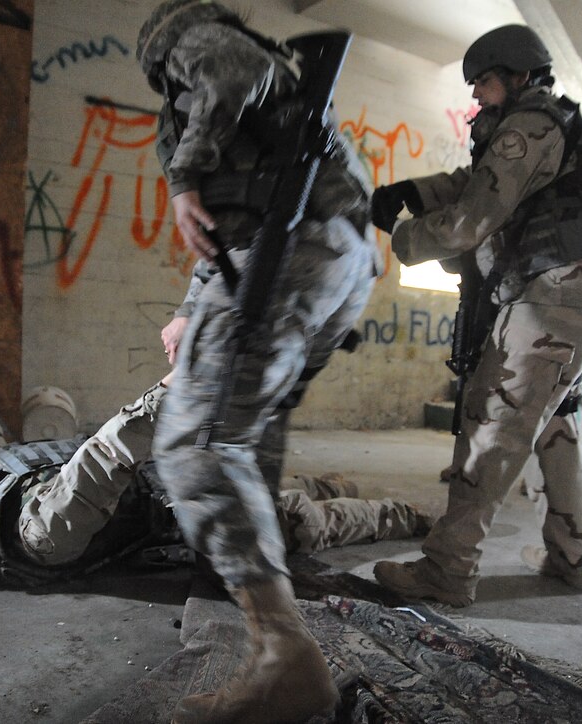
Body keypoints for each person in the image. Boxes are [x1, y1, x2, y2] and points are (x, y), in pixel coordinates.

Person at [136, 2, 379, 721]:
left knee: (195, 445)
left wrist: (182, 175)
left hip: (289, 249)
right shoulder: (279, 90)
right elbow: (230, 216)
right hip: (332, 260)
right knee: (247, 434)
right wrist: (191, 306)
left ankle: (285, 657)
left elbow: (229, 74)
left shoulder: (198, 43)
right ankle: (266, 614)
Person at [0, 303, 430, 585]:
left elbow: (106, 457)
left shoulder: (35, 530)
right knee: (284, 505)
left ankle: (397, 512)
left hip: (180, 493)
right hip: (176, 488)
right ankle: (368, 499)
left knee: (297, 520)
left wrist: (177, 386)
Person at [369, 24, 582, 607]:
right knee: (554, 426)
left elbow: (472, 219)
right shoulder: (558, 126)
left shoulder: (527, 126)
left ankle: (449, 569)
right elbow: (477, 184)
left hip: (551, 297)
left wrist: (405, 235)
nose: (477, 96)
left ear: (518, 75)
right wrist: (415, 187)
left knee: (490, 427)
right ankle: (576, 556)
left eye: (482, 82)